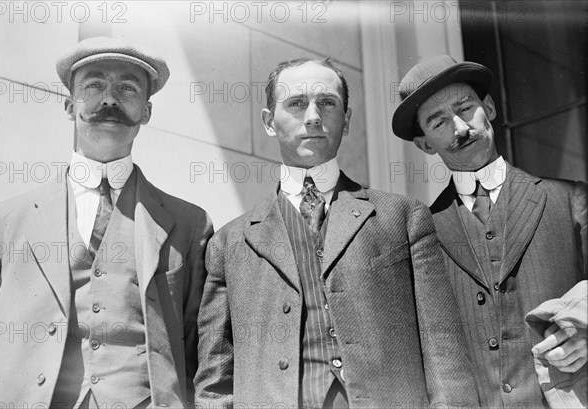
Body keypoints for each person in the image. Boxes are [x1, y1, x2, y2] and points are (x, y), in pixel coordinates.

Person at [194, 57, 479, 408]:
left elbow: (443, 349)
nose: (313, 116)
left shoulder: (403, 217)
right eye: (296, 103)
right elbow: (215, 379)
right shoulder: (229, 242)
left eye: (327, 103)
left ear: (346, 120)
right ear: (269, 122)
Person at [0, 37, 213, 408]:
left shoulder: (191, 225)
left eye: (127, 88)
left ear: (146, 111)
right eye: (93, 86)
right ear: (68, 105)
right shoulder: (5, 221)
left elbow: (202, 349)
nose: (110, 100)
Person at [392, 54, 587, 407]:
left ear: (490, 108)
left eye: (465, 108)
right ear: (424, 145)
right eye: (438, 122)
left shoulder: (570, 199)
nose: (460, 128)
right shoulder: (419, 234)